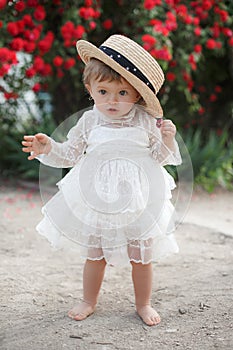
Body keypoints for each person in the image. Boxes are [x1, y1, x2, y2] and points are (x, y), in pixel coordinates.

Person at [22, 34, 182, 326]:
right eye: (104, 91)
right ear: (90, 89)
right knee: (95, 253)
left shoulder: (145, 121)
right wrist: (48, 148)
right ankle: (88, 300)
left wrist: (167, 140)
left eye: (122, 93)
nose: (112, 100)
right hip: (97, 195)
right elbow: (70, 154)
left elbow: (159, 157)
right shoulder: (90, 120)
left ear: (136, 94)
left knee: (140, 254)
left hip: (138, 197)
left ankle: (143, 304)